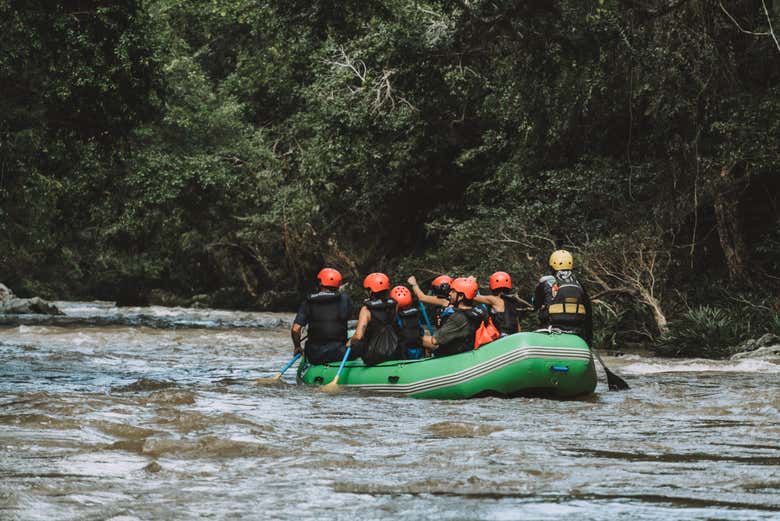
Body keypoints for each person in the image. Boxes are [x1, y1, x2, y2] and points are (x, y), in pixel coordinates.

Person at [291, 268, 353, 365]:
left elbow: (295, 329)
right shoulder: (345, 299)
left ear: (320, 282)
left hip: (315, 355)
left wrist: (297, 346)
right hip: (339, 353)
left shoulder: (309, 301)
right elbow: (347, 317)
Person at [533, 250, 593, 344]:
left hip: (552, 327)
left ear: (552, 266)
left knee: (543, 313)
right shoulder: (579, 284)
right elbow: (589, 313)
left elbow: (536, 305)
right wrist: (589, 340)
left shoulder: (545, 283)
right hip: (577, 331)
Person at [421, 277, 488, 357]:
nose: (449, 293)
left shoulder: (458, 317)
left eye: (453, 291)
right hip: (469, 349)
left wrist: (414, 337)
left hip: (456, 355)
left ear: (460, 296)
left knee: (420, 340)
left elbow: (434, 341)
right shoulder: (479, 309)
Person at [350, 272, 398, 365]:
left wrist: (350, 341)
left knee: (355, 344)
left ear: (371, 291)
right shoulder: (394, 304)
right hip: (394, 350)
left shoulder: (366, 309)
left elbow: (359, 336)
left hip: (374, 355)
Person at [473, 271, 520, 336]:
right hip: (513, 335)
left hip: (502, 336)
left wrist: (472, 282)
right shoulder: (512, 301)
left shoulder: (494, 300)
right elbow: (517, 323)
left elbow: (472, 296)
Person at [390, 285, 423, 360]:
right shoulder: (415, 314)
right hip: (418, 350)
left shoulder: (395, 318)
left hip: (402, 353)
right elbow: (421, 332)